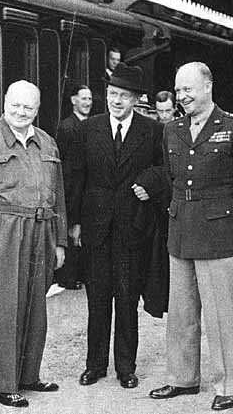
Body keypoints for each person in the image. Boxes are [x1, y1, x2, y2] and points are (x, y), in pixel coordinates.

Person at [149, 62, 233, 411]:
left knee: (222, 315)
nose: (182, 97)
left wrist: (225, 215)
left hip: (220, 232)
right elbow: (171, 179)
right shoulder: (173, 129)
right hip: (181, 229)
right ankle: (182, 378)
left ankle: (228, 384)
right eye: (178, 90)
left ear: (209, 86)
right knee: (181, 312)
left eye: (188, 90)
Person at [0, 80, 66, 408]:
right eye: (15, 105)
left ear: (37, 110)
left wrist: (59, 242)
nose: (20, 112)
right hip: (4, 235)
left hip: (40, 234)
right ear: (5, 103)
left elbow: (58, 195)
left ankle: (29, 376)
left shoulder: (47, 142)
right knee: (4, 311)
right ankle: (3, 384)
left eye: (28, 107)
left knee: (35, 309)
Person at [70, 62, 164, 390]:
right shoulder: (88, 129)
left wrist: (148, 182)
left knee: (126, 299)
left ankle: (126, 366)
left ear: (136, 99)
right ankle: (94, 365)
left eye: (124, 95)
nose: (117, 101)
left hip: (132, 227)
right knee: (97, 300)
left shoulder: (152, 131)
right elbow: (77, 177)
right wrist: (76, 222)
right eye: (112, 94)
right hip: (96, 228)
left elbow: (163, 169)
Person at [54, 84, 92, 290]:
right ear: (73, 100)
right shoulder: (67, 127)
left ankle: (82, 274)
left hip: (87, 187)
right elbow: (63, 163)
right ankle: (68, 277)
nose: (87, 102)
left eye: (89, 99)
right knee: (72, 231)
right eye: (83, 98)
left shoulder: (93, 125)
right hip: (72, 187)